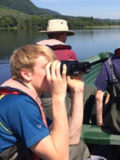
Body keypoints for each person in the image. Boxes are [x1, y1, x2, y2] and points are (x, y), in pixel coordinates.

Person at [37, 19, 98, 160]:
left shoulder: (34, 51)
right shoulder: (68, 52)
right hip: (60, 95)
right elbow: (75, 74)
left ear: (48, 34)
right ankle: (88, 120)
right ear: (64, 35)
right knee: (90, 91)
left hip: (40, 96)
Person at [0, 45, 70, 160]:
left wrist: (77, 91)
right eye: (48, 68)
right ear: (26, 74)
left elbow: (71, 137)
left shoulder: (22, 97)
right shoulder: (20, 104)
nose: (53, 73)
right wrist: (58, 97)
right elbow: (61, 158)